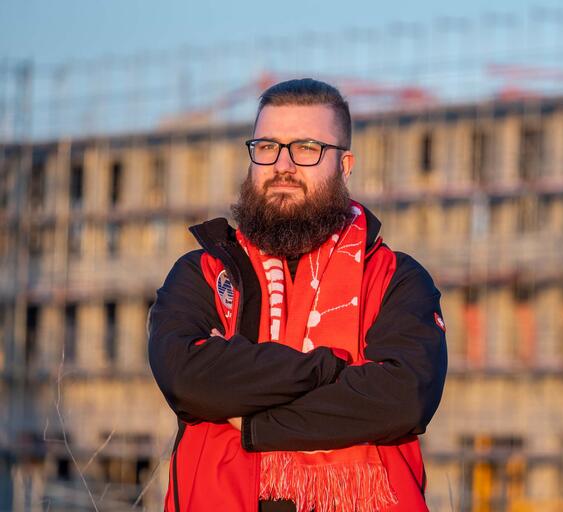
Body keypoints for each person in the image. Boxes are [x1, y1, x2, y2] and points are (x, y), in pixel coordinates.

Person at [148, 78, 448, 512]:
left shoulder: (395, 279)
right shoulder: (205, 273)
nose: (282, 165)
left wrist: (255, 425)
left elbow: (405, 399)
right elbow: (187, 378)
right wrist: (331, 368)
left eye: (306, 148)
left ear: (345, 166)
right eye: (267, 146)